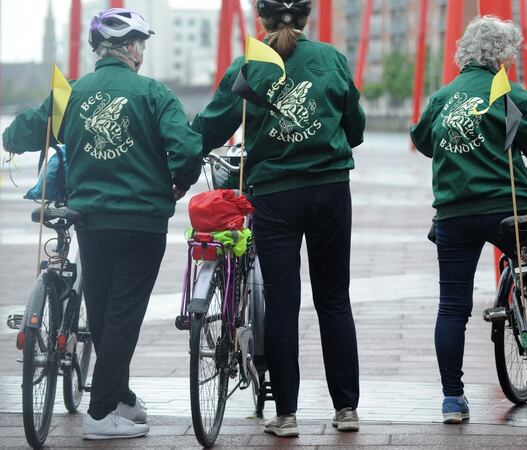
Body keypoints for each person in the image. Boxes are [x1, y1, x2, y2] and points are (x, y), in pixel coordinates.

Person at [2, 8, 203, 440]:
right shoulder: (153, 93)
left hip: (89, 220)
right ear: (130, 48)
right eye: (141, 46)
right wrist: (177, 185)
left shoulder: (70, 92)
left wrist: (20, 139)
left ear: (99, 51)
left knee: (104, 312)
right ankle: (100, 414)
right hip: (142, 222)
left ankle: (121, 397)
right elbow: (187, 149)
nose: (142, 53)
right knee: (123, 317)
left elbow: (20, 133)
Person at [190, 0, 365, 438]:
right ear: (306, 18)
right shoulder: (331, 59)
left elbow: (212, 126)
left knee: (283, 302)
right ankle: (346, 409)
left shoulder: (249, 62)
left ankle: (285, 414)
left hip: (273, 195)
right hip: (329, 191)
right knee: (334, 299)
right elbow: (355, 127)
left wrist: (179, 159)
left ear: (262, 20)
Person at [409, 16, 527, 424]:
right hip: (511, 211)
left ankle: (453, 399)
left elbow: (422, 141)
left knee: (452, 307)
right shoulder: (507, 91)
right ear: (503, 55)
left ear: (464, 52)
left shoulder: (444, 95)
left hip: (454, 214)